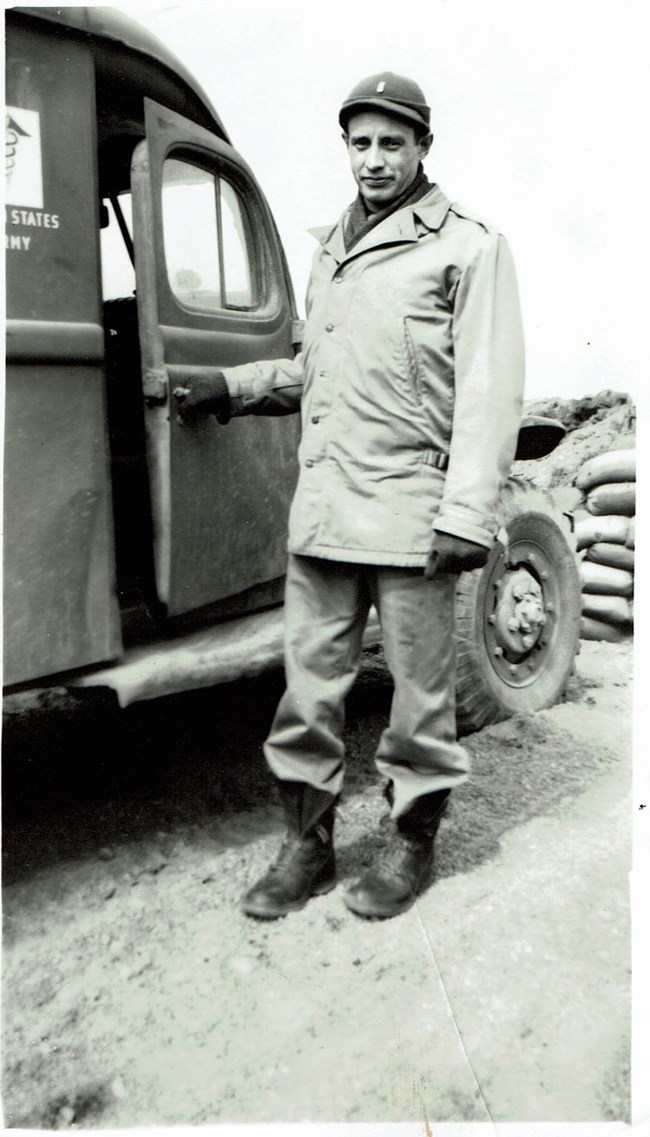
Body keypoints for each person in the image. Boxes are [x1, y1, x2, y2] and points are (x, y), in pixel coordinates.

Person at [174, 71, 525, 920]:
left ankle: (411, 844)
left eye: (391, 143)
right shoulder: (332, 244)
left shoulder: (468, 248)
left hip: (413, 515)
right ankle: (309, 846)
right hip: (326, 512)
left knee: (418, 698)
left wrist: (466, 514)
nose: (373, 160)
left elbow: (489, 388)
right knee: (309, 692)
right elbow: (316, 370)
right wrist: (233, 385)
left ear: (423, 148)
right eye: (360, 143)